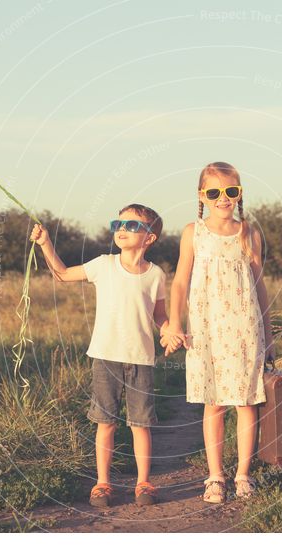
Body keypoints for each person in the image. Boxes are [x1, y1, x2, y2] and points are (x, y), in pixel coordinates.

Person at [31, 204, 168, 508]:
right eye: (119, 223)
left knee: (140, 424)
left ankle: (143, 482)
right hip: (105, 356)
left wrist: (170, 330)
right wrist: (45, 244)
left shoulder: (156, 275)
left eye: (132, 225)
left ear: (150, 238)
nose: (122, 229)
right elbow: (63, 275)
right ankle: (102, 483)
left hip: (141, 358)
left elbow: (160, 316)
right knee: (105, 422)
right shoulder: (104, 264)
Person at [162, 161, 275, 503]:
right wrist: (176, 322)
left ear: (239, 194)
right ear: (202, 196)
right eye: (214, 192)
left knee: (244, 401)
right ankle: (215, 476)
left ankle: (243, 474)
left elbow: (259, 285)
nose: (223, 198)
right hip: (206, 327)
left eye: (231, 191)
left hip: (244, 327)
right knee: (213, 402)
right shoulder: (192, 232)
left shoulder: (249, 233)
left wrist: (269, 335)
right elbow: (180, 281)